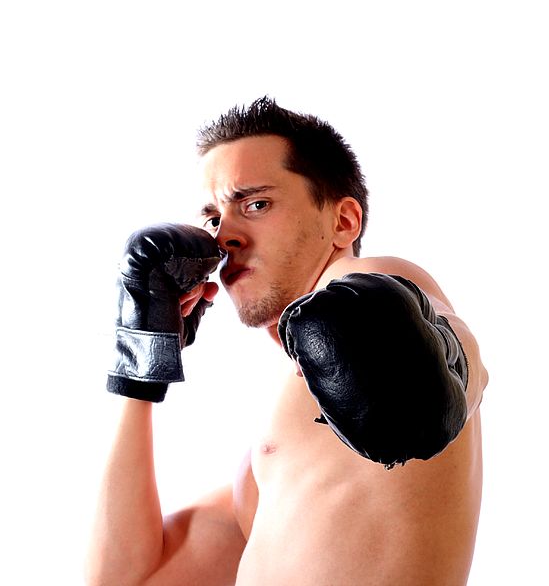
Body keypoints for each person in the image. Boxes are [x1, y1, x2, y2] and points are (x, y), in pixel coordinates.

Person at [86, 97, 489, 586]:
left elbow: (456, 359)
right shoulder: (269, 465)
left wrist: (446, 364)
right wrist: (141, 362)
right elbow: (127, 579)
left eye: (256, 204)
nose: (224, 236)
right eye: (214, 218)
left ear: (343, 222)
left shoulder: (377, 287)